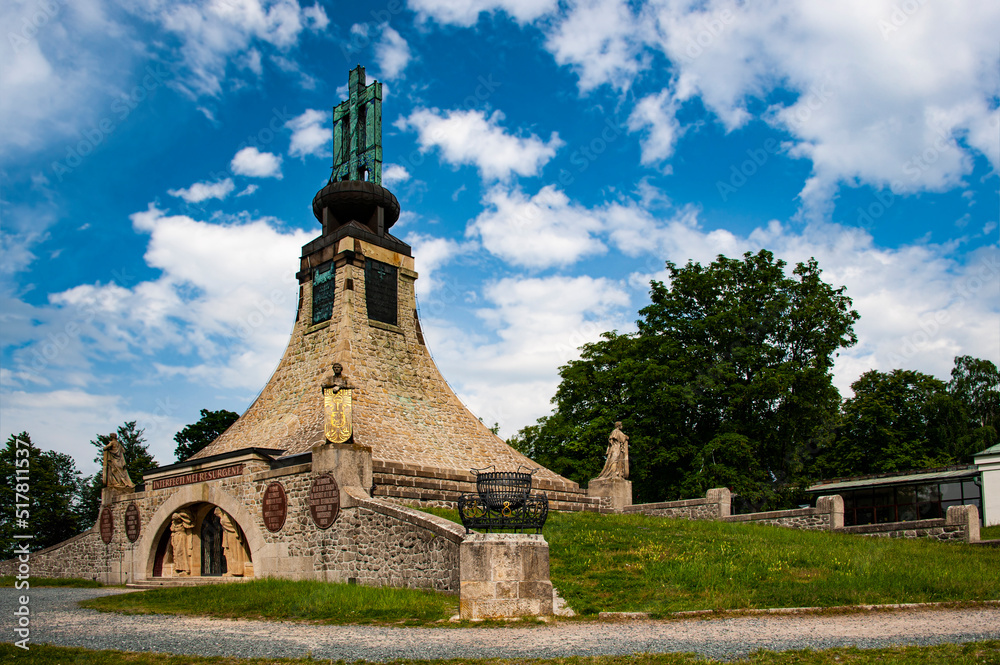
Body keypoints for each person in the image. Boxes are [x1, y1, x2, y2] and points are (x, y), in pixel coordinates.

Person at [215, 508, 246, 577]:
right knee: (228, 552)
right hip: (227, 536)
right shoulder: (224, 518)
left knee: (233, 553)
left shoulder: (226, 518)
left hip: (231, 537)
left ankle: (235, 570)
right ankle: (230, 570)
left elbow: (230, 526)